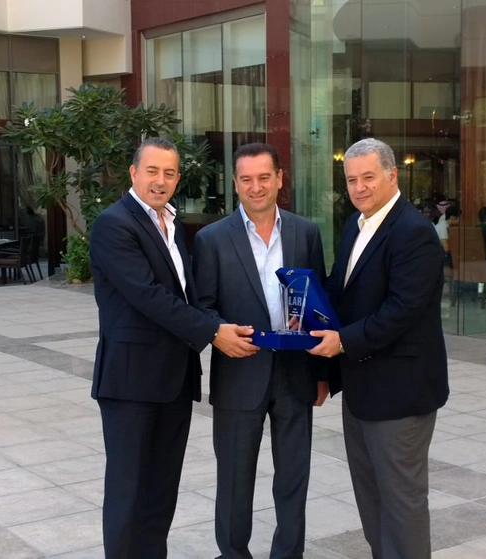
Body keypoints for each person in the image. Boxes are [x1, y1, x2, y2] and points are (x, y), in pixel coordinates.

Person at [89, 137, 257, 558]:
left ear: (178, 178)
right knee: (130, 492)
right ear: (133, 173)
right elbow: (149, 297)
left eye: (169, 173)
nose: (160, 181)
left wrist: (218, 322)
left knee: (161, 491)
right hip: (131, 382)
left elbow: (187, 294)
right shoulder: (115, 224)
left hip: (174, 381)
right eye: (152, 171)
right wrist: (212, 332)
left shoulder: (171, 224)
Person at [309, 138, 449, 557]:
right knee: (371, 498)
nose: (359, 187)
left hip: (400, 394)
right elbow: (341, 290)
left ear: (392, 175)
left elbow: (402, 310)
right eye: (352, 180)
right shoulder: (356, 224)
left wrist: (343, 342)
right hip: (361, 386)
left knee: (401, 502)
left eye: (368, 177)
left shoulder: (414, 232)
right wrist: (302, 306)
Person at [193, 143, 329, 559]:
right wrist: (218, 333)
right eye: (247, 179)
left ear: (280, 179)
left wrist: (324, 373)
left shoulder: (305, 232)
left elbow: (320, 308)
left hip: (295, 374)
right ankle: (233, 554)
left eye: (264, 177)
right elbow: (201, 306)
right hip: (239, 374)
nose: (257, 187)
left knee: (293, 477)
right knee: (234, 479)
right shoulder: (211, 239)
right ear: (235, 183)